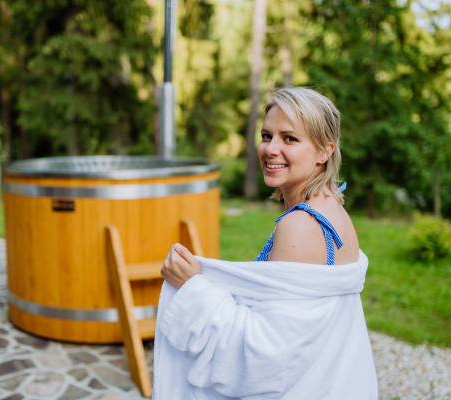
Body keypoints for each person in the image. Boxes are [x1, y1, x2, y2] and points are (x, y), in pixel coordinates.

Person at [156, 87, 377, 399]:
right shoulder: (333, 206)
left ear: (324, 151)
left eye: (290, 138)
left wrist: (194, 288)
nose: (271, 149)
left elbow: (267, 355)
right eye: (266, 135)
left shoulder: (299, 224)